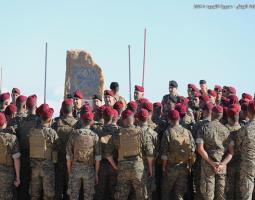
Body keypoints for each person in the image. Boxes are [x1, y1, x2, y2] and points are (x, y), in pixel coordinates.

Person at [106, 109, 154, 199]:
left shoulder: (117, 134)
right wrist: (150, 168)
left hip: (123, 168)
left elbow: (108, 154)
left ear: (123, 120)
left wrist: (115, 166)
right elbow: (150, 153)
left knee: (121, 196)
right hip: (138, 168)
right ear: (133, 119)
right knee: (142, 196)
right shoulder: (141, 132)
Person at [196, 105, 234, 200]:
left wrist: (212, 163)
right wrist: (222, 164)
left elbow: (200, 149)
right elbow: (231, 152)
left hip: (208, 165)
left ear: (212, 114)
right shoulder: (227, 130)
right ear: (221, 116)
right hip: (222, 167)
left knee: (208, 195)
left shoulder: (204, 128)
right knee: (221, 195)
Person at [161, 109, 195, 200]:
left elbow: (164, 153)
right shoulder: (187, 132)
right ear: (179, 118)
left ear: (169, 119)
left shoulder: (167, 132)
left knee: (166, 192)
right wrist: (189, 165)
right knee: (179, 194)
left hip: (170, 168)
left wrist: (164, 167)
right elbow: (192, 150)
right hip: (184, 167)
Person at [66, 111, 101, 200]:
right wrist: (96, 173)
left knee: (73, 196)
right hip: (89, 169)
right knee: (88, 197)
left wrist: (70, 171)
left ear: (81, 120)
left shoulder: (74, 134)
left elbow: (69, 156)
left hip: (75, 168)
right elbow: (97, 158)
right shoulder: (95, 136)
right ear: (92, 122)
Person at [28, 104, 58, 200]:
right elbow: (56, 148)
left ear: (40, 118)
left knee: (34, 195)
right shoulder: (52, 133)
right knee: (48, 195)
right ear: (50, 120)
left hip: (35, 166)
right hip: (48, 167)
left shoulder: (32, 131)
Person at [53, 99, 77, 200]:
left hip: (57, 160)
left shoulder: (55, 123)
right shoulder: (77, 124)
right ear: (73, 109)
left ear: (62, 109)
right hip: (71, 161)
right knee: (70, 189)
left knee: (58, 189)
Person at [16, 94, 38, 200]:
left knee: (24, 185)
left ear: (26, 107)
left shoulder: (21, 122)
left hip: (24, 157)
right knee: (35, 187)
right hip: (36, 158)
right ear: (36, 106)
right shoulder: (39, 122)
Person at [95, 106, 118, 200]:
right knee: (113, 192)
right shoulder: (117, 131)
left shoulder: (97, 131)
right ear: (113, 117)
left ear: (103, 117)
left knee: (100, 192)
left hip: (101, 165)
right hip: (114, 164)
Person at [192, 102, 213, 200]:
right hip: (214, 160)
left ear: (204, 111)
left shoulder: (198, 125)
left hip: (199, 159)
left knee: (199, 186)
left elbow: (193, 143)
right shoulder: (219, 125)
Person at [137, 108, 158, 200]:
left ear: (137, 118)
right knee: (149, 191)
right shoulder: (153, 133)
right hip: (150, 164)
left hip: (137, 165)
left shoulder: (134, 132)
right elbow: (157, 151)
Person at [0, 112, 21, 200]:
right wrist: (18, 177)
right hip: (7, 175)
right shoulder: (12, 138)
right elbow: (16, 159)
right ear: (5, 123)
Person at [225, 105, 241, 200]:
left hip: (228, 163)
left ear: (228, 117)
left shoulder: (224, 129)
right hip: (240, 163)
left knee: (228, 191)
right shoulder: (242, 129)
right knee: (239, 190)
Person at [239, 100, 255, 200]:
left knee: (246, 194)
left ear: (249, 112)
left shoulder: (245, 128)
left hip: (248, 163)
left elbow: (238, 145)